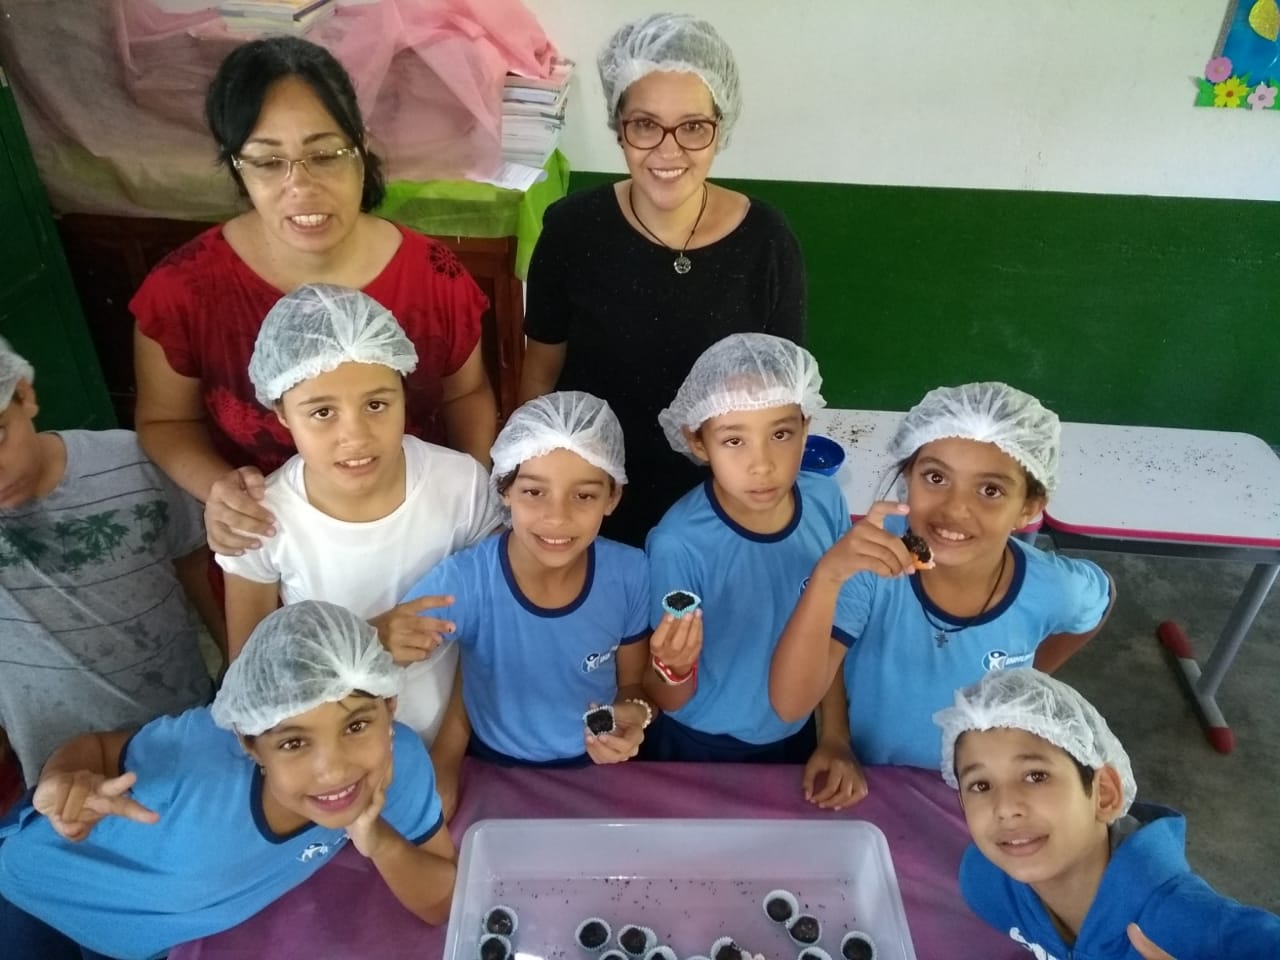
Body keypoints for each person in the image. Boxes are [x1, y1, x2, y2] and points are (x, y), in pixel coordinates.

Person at [131, 35, 496, 558]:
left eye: (324, 155)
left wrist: (475, 507)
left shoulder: (433, 279)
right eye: (267, 162)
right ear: (237, 166)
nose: (301, 186)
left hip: (425, 537)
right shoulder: (183, 292)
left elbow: (466, 395)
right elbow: (165, 420)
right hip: (271, 543)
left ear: (360, 148)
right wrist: (222, 492)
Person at [0, 600, 456, 960]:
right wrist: (61, 781)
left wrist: (377, 838)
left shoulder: (400, 764)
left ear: (389, 706)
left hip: (150, 942)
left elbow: (443, 901)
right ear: (248, 742)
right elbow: (100, 749)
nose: (333, 770)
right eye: (294, 743)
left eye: (356, 726)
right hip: (37, 897)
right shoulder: (197, 758)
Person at [519, 13, 806, 547]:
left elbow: (778, 398)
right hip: (592, 498)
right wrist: (533, 481)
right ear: (619, 127)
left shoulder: (765, 241)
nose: (668, 151)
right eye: (645, 125)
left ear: (720, 127)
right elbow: (539, 374)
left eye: (693, 127)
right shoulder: (571, 231)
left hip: (718, 506)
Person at [770, 382, 1114, 771]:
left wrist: (1030, 677)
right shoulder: (871, 566)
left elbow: (1099, 600)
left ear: (1028, 507)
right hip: (874, 773)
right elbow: (795, 697)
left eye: (990, 490)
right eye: (936, 478)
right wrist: (835, 736)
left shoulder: (1054, 588)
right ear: (908, 475)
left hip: (976, 785)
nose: (954, 509)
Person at [215, 284, 500, 742]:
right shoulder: (261, 520)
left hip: (459, 742)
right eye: (322, 412)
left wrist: (448, 753)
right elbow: (251, 682)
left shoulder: (461, 485)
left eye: (376, 404)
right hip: (337, 762)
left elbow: (491, 634)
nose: (355, 436)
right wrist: (365, 643)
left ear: (403, 391)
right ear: (281, 412)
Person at [402, 392, 675, 818]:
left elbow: (634, 686)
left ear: (612, 497)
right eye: (533, 491)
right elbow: (378, 655)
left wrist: (634, 715)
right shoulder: (466, 580)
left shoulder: (630, 573)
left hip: (598, 770)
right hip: (492, 768)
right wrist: (445, 758)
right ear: (504, 489)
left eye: (583, 496)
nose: (556, 517)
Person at [643, 334, 863, 810]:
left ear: (806, 426)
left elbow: (830, 633)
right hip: (695, 744)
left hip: (794, 735)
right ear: (697, 441)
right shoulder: (678, 544)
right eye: (733, 440)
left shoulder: (826, 503)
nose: (762, 464)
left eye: (780, 434)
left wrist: (834, 736)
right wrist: (673, 667)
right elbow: (669, 696)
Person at [933, 668, 1280, 960]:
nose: (1005, 807)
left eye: (1036, 776)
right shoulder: (987, 882)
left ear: (1105, 793)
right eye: (980, 785)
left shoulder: (1193, 926)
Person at [0, 335, 217, 790]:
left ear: (24, 394)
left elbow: (196, 565)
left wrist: (240, 665)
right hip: (68, 781)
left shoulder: (132, 463)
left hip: (189, 734)